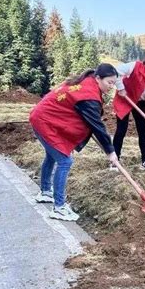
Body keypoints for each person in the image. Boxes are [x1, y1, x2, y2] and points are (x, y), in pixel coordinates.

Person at [29, 63, 119, 222]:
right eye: (109, 82)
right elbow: (97, 126)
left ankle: (45, 191)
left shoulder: (88, 82)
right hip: (45, 121)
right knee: (65, 161)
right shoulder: (88, 95)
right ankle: (59, 207)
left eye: (114, 83)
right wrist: (111, 151)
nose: (112, 87)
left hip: (46, 118)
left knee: (52, 156)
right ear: (98, 78)